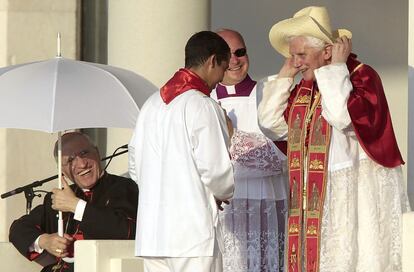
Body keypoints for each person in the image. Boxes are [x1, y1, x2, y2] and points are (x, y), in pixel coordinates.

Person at [257, 6, 410, 272]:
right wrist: (285, 75)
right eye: (291, 56)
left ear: (327, 52)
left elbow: (341, 116)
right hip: (313, 198)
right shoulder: (306, 87)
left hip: (350, 195)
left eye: (301, 54)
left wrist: (337, 67)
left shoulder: (359, 76)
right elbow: (270, 124)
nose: (296, 62)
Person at [128, 31, 235, 272]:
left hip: (153, 234)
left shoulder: (151, 104)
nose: (221, 78)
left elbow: (134, 165)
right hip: (192, 233)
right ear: (212, 61)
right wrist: (222, 192)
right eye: (223, 68)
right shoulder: (202, 105)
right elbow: (216, 171)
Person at [211, 29, 288, 272]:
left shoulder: (269, 93)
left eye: (240, 52)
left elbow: (282, 156)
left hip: (265, 204)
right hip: (222, 213)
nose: (234, 60)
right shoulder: (205, 100)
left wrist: (233, 136)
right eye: (227, 54)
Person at [9, 132, 139, 272]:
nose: (82, 164)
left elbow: (126, 231)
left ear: (97, 153)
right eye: (70, 160)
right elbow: (18, 229)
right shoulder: (57, 198)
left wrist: (76, 206)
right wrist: (45, 241)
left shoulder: (123, 187)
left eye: (84, 153)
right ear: (62, 171)